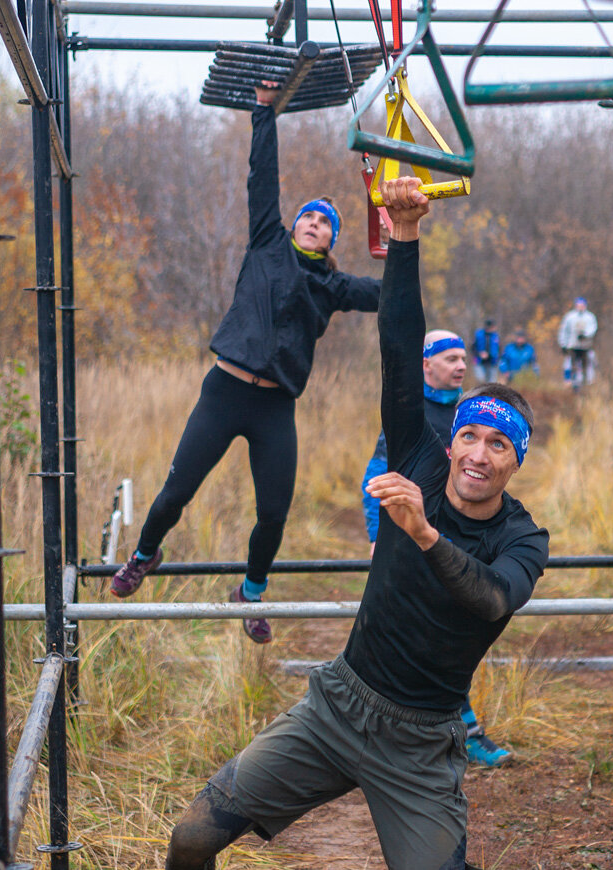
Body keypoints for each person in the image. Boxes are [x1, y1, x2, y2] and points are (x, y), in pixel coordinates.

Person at [164, 177, 549, 870]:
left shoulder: (521, 538)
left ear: (516, 462)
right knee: (192, 837)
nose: (479, 456)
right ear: (452, 439)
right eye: (471, 438)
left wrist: (425, 533)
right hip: (337, 708)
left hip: (421, 744)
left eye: (500, 446)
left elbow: (490, 598)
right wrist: (403, 236)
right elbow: (401, 351)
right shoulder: (420, 462)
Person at [109, 80, 382, 644]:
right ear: (294, 224)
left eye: (325, 222)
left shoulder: (334, 285)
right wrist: (264, 113)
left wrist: (403, 231)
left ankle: (250, 592)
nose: (314, 223)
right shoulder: (266, 243)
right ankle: (143, 554)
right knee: (176, 493)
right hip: (224, 391)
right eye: (308, 216)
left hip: (275, 407)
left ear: (332, 237)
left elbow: (390, 292)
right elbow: (264, 180)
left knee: (274, 512)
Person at [360, 329, 515, 767]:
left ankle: (462, 733)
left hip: (460, 545)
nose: (461, 366)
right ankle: (425, 736)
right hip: (411, 541)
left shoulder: (472, 413)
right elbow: (377, 474)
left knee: (454, 637)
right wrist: (377, 536)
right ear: (425, 365)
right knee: (409, 639)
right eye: (449, 359)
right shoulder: (409, 414)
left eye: (463, 358)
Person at [558, 297, 598, 389]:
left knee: (586, 365)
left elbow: (592, 329)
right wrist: (563, 344)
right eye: (579, 305)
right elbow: (564, 330)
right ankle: (573, 383)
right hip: (573, 346)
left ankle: (586, 383)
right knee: (572, 365)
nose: (580, 307)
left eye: (582, 305)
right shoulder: (569, 317)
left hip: (585, 346)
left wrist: (585, 335)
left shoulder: (590, 317)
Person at [472, 318, 500, 382]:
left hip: (492, 362)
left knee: (492, 382)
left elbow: (499, 349)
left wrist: (495, 357)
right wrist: (479, 354)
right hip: (479, 361)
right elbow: (472, 347)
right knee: (480, 379)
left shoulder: (496, 336)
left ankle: (490, 392)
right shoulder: (478, 335)